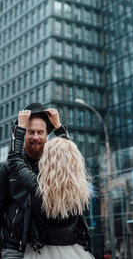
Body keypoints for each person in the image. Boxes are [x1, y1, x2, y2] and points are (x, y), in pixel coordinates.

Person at [7, 109, 93, 259]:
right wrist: (59, 127)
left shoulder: (38, 187)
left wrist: (20, 128)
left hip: (41, 253)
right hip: (73, 252)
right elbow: (68, 156)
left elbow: (14, 161)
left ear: (48, 162)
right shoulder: (79, 188)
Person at [0, 103, 70, 258]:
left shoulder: (55, 168)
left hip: (49, 248)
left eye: (40, 132)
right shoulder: (7, 168)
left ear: (47, 135)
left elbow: (69, 163)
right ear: (23, 134)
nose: (36, 137)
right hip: (14, 248)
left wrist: (58, 126)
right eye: (30, 132)